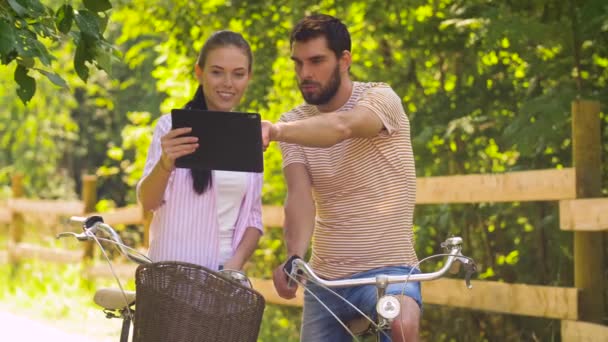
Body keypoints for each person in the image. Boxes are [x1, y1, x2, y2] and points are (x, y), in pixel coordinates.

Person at [262, 14, 421, 342]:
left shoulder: (380, 99)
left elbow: (341, 128)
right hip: (326, 281)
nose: (305, 73)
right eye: (299, 63)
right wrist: (294, 256)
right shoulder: (294, 121)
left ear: (344, 60)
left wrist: (276, 132)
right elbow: (299, 197)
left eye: (317, 61)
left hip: (389, 272)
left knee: (402, 325)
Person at [137, 30, 263, 272]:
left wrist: (232, 268)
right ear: (199, 72)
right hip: (172, 277)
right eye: (217, 72)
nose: (228, 83)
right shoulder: (172, 128)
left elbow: (253, 220)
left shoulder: (249, 134)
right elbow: (148, 202)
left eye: (238, 74)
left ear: (249, 77)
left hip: (225, 282)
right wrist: (165, 164)